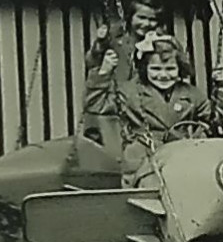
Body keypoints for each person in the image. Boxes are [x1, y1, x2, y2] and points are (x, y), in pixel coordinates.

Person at [84, 32, 213, 178]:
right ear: (145, 69)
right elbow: (96, 105)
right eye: (156, 69)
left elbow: (212, 120)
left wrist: (221, 90)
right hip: (143, 158)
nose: (163, 75)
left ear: (180, 69)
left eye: (170, 69)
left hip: (182, 157)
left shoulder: (192, 94)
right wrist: (104, 72)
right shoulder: (130, 92)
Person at [84, 0, 168, 86]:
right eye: (141, 18)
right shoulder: (114, 36)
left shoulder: (161, 41)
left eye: (152, 20)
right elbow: (91, 62)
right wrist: (99, 43)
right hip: (117, 90)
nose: (146, 24)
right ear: (130, 17)